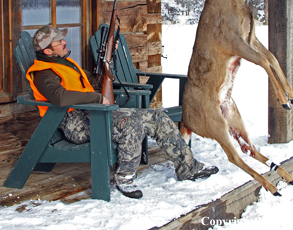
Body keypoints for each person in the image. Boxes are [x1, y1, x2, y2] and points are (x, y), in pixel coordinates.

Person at [27, 25, 219, 199]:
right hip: (74, 123)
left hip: (92, 113)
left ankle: (188, 168)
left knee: (157, 116)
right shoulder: (44, 74)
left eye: (62, 39)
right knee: (130, 125)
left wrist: (109, 59)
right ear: (47, 51)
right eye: (59, 42)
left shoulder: (65, 64)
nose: (64, 42)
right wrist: (96, 98)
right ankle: (125, 177)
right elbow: (60, 97)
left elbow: (95, 83)